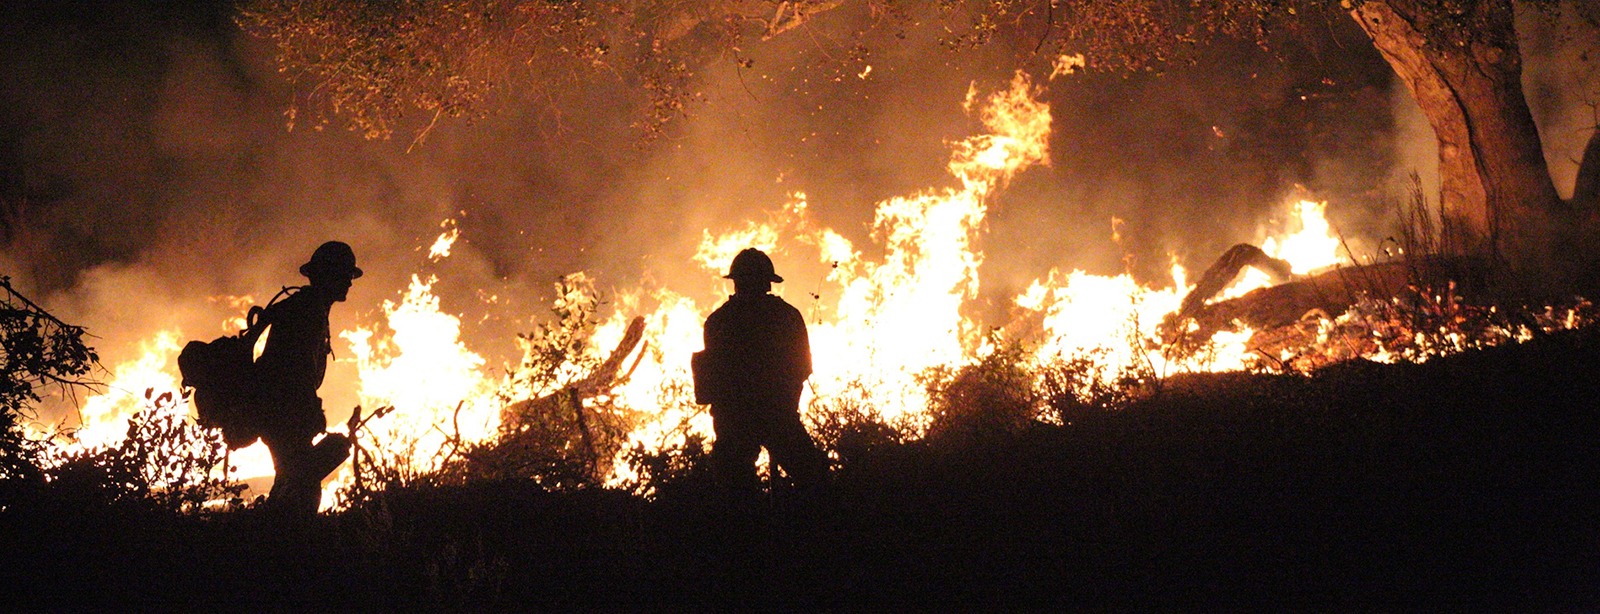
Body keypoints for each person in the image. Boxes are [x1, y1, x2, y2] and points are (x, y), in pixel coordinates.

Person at [698, 248, 829, 493]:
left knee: (734, 491)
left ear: (735, 282)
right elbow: (802, 368)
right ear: (768, 283)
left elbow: (713, 379)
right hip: (778, 416)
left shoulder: (718, 321)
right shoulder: (787, 316)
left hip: (734, 421)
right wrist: (785, 405)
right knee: (815, 479)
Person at [254, 240, 359, 517]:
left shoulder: (310, 308)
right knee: (301, 489)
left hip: (282, 412)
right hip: (283, 413)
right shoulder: (308, 312)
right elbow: (294, 367)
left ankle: (269, 535)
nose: (349, 282)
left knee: (292, 480)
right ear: (328, 275)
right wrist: (309, 410)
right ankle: (286, 545)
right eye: (345, 275)